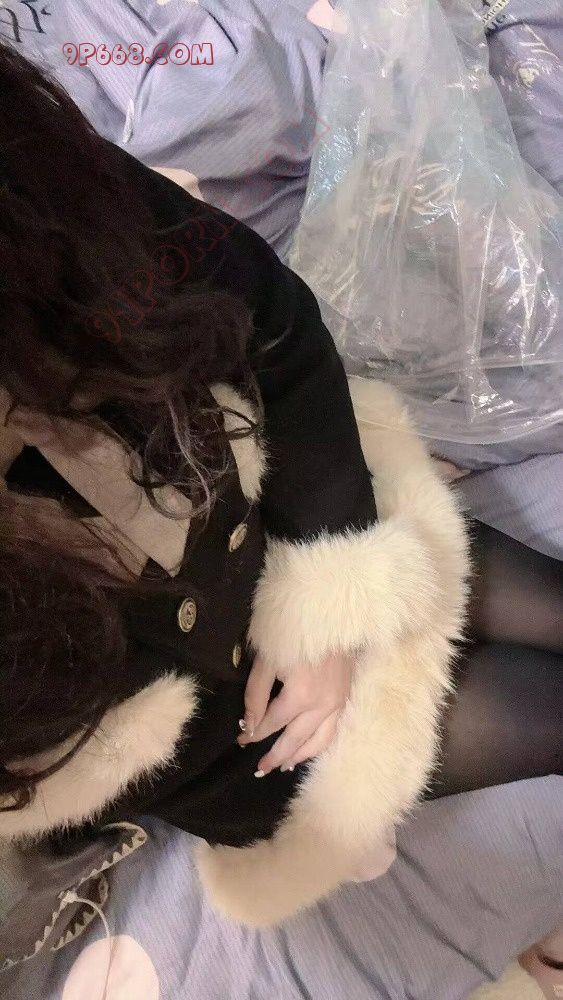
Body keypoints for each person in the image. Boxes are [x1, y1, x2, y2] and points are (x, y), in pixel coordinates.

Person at [0, 46, 561, 922]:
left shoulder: (26, 176)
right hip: (223, 735)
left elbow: (257, 302)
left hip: (294, 509)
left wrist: (326, 599)